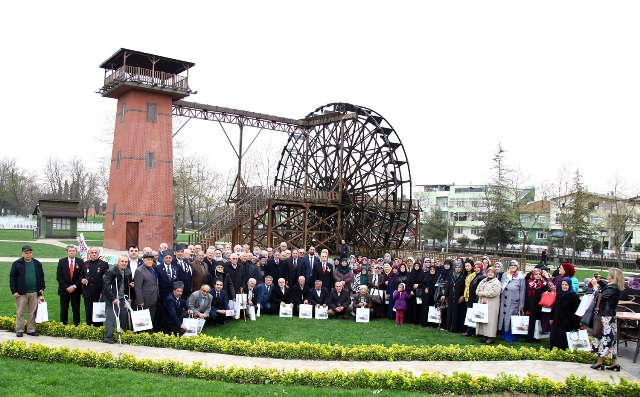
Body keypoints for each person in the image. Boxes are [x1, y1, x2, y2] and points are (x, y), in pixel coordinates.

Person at [590, 268, 623, 371]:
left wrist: (595, 287)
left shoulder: (612, 289)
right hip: (610, 317)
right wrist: (599, 281)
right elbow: (605, 288)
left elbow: (599, 298)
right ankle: (615, 363)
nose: (607, 276)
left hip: (606, 317)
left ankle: (600, 362)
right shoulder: (614, 287)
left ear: (612, 276)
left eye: (609, 275)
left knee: (603, 338)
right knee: (611, 340)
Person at [10, 245, 45, 337]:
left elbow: (41, 276)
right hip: (21, 292)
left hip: (34, 291)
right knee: (20, 311)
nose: (28, 255)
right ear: (22, 254)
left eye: (30, 253)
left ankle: (31, 329)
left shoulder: (37, 263)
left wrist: (42, 287)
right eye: (26, 253)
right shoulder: (17, 263)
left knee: (32, 311)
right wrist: (14, 291)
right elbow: (12, 277)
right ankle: (19, 330)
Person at [102, 255, 132, 344]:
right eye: (122, 261)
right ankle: (108, 337)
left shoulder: (127, 271)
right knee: (111, 317)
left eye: (126, 262)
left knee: (123, 315)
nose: (124, 263)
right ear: (118, 262)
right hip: (112, 298)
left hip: (122, 298)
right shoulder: (111, 272)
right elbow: (106, 286)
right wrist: (113, 298)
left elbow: (127, 284)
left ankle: (120, 334)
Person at [549, 278, 581, 351]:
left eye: (566, 285)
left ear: (569, 285)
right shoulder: (560, 293)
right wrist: (551, 317)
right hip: (557, 318)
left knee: (562, 336)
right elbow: (555, 305)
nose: (564, 286)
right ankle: (554, 348)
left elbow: (576, 311)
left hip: (567, 320)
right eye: (563, 284)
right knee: (555, 334)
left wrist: (576, 325)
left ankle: (562, 349)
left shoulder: (573, 296)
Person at [497, 260, 526, 342]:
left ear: (517, 267)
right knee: (504, 318)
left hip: (514, 302)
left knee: (511, 319)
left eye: (514, 265)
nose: (513, 266)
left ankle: (512, 336)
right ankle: (504, 335)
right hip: (504, 301)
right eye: (511, 265)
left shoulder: (520, 278)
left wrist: (521, 305)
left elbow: (522, 291)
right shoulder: (505, 275)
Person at [81, 247, 109, 326]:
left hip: (98, 293)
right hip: (88, 292)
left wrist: (103, 292)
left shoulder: (104, 264)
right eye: (92, 252)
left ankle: (98, 329)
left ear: (98, 253)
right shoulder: (85, 263)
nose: (94, 254)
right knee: (88, 312)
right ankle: (89, 328)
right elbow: (80, 275)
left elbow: (107, 280)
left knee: (98, 313)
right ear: (89, 253)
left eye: (95, 252)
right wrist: (82, 280)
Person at [56, 245, 83, 326]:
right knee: (64, 309)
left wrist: (74, 286)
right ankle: (63, 325)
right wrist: (67, 287)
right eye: (70, 251)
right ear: (67, 252)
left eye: (73, 251)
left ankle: (77, 325)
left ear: (76, 252)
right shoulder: (61, 261)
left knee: (76, 309)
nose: (72, 252)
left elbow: (81, 276)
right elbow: (59, 276)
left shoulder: (80, 262)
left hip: (76, 290)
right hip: (64, 290)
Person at [475, 267, 503, 344]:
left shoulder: (497, 282)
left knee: (491, 321)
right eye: (489, 272)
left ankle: (491, 337)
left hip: (492, 304)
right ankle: (485, 335)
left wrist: (483, 293)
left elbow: (494, 292)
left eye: (492, 272)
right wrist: (478, 293)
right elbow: (478, 289)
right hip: (483, 303)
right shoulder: (484, 281)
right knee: (484, 320)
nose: (490, 274)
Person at [134, 253, 159, 326]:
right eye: (148, 260)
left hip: (153, 299)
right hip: (145, 300)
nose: (150, 261)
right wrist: (140, 301)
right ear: (144, 261)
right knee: (143, 321)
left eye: (151, 260)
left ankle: (148, 333)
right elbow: (137, 288)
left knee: (150, 319)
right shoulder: (139, 271)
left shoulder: (152, 269)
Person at [525, 268, 549, 343]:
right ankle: (530, 337)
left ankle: (537, 337)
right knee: (531, 320)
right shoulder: (529, 283)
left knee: (539, 320)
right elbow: (527, 294)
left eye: (539, 274)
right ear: (533, 275)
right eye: (536, 274)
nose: (538, 276)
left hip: (540, 304)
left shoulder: (543, 283)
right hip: (531, 304)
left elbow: (547, 291)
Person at [462, 261, 485, 336]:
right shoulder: (474, 275)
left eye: (478, 267)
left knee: (475, 315)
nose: (476, 269)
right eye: (475, 267)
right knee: (470, 314)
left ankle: (473, 331)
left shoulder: (482, 276)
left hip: (476, 299)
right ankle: (470, 331)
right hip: (470, 297)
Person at [446, 261, 468, 333]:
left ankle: (457, 328)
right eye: (456, 267)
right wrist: (444, 295)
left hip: (459, 296)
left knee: (458, 312)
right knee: (451, 311)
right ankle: (450, 326)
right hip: (451, 296)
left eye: (459, 267)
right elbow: (448, 286)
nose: (457, 269)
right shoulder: (451, 276)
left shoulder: (463, 276)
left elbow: (465, 287)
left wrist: (463, 296)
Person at [406, 257, 424, 325]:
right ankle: (412, 320)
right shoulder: (411, 274)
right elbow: (408, 283)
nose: (416, 267)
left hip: (419, 293)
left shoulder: (422, 274)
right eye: (415, 266)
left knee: (418, 307)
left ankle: (419, 321)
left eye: (418, 266)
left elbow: (424, 283)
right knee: (412, 307)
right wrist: (410, 290)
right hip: (412, 293)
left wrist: (418, 285)